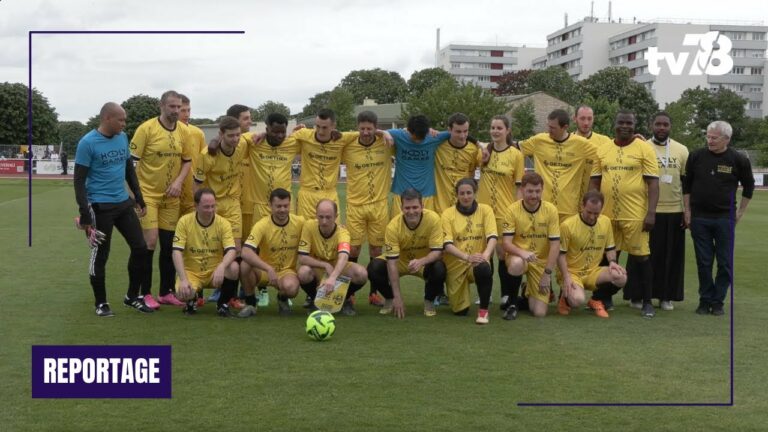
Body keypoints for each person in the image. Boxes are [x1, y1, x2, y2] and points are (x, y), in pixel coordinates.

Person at [73, 102, 152, 316]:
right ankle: (101, 303)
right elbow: (79, 181)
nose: (124, 124)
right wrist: (85, 213)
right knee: (101, 254)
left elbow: (128, 170)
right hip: (99, 207)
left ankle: (132, 297)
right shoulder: (87, 143)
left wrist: (139, 198)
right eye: (121, 119)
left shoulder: (122, 137)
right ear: (107, 118)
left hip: (123, 203)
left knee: (140, 248)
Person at [589, 110, 659, 318]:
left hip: (634, 214)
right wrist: (592, 209)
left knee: (641, 258)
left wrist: (651, 213)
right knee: (608, 258)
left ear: (634, 125)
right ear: (615, 124)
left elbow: (653, 183)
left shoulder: (644, 149)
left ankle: (647, 302)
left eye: (629, 123)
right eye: (621, 122)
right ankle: (603, 298)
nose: (625, 126)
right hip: (607, 215)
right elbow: (595, 181)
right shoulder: (603, 150)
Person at [683, 120, 754, 316]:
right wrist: (687, 211)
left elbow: (749, 186)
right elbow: (687, 185)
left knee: (725, 263)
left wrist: (740, 212)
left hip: (725, 219)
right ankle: (705, 300)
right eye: (708, 136)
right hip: (699, 218)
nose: (710, 140)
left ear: (726, 139)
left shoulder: (738, 160)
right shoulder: (696, 156)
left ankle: (718, 301)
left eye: (714, 138)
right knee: (704, 262)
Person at [131, 90, 193, 309]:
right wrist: (135, 195)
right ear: (162, 106)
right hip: (148, 195)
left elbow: (187, 160)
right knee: (150, 242)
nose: (176, 111)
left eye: (179, 107)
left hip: (171, 197)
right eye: (172, 106)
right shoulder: (146, 129)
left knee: (169, 244)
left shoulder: (184, 131)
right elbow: (131, 162)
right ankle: (145, 293)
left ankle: (165, 292)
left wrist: (178, 182)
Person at [341, 110, 394, 307]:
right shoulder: (348, 146)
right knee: (353, 248)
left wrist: (385, 133)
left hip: (379, 205)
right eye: (362, 128)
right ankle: (350, 292)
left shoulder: (385, 143)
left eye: (369, 129)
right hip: (355, 205)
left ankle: (373, 293)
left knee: (376, 249)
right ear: (357, 128)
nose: (365, 132)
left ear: (376, 128)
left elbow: (409, 133)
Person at [367, 188, 446, 318]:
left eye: (415, 207)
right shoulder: (393, 226)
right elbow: (392, 263)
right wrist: (397, 297)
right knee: (373, 268)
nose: (411, 211)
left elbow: (437, 252)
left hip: (423, 263)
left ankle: (429, 300)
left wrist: (421, 261)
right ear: (401, 208)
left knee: (439, 268)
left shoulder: (433, 219)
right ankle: (390, 298)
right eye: (407, 208)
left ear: (422, 206)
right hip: (400, 262)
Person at [477, 115, 525, 310]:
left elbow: (519, 186)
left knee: (503, 254)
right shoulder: (483, 152)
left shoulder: (516, 155)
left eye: (499, 128)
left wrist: (518, 210)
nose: (495, 131)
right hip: (483, 211)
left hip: (504, 212)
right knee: (485, 253)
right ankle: (485, 295)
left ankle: (506, 294)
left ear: (507, 131)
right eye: (492, 128)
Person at [557, 191, 627, 318]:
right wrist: (566, 277)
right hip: (572, 272)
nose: (592, 217)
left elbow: (610, 248)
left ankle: (596, 300)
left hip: (593, 272)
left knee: (621, 277)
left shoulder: (605, 222)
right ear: (582, 206)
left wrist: (612, 262)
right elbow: (560, 255)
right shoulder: (567, 225)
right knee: (577, 300)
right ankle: (564, 299)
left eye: (596, 213)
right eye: (589, 212)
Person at [171, 188, 239, 316]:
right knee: (182, 294)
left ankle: (222, 304)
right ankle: (192, 300)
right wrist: (183, 279)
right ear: (196, 206)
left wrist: (222, 266)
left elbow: (231, 250)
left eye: (213, 206)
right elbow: (176, 252)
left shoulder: (223, 223)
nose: (210, 210)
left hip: (214, 272)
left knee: (234, 267)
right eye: (206, 207)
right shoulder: (184, 221)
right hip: (192, 272)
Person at [520, 109, 596, 222]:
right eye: (548, 126)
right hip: (542, 206)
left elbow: (604, 154)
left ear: (565, 127)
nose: (549, 130)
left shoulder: (581, 144)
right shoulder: (539, 141)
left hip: (569, 209)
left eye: (553, 128)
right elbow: (514, 149)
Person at [502, 172, 561, 319]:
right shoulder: (512, 210)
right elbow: (506, 243)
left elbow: (555, 245)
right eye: (530, 191)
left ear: (542, 190)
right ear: (522, 189)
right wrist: (522, 253)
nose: (534, 195)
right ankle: (512, 305)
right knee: (516, 263)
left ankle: (526, 291)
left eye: (537, 191)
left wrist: (547, 274)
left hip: (540, 262)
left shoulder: (551, 210)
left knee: (539, 313)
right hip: (519, 257)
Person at [645, 112, 688, 311]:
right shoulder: (643, 147)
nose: (661, 128)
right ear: (651, 125)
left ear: (670, 126)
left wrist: (687, 210)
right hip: (649, 211)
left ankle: (666, 297)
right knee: (645, 257)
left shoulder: (682, 150)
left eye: (665, 124)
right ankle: (641, 295)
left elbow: (686, 183)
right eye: (658, 124)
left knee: (671, 257)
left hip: (674, 211)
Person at [239, 188, 305, 317]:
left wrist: (338, 228)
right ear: (270, 206)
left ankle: (282, 298)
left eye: (286, 206)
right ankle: (251, 303)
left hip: (287, 271)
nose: (282, 209)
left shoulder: (300, 222)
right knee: (245, 265)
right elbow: (245, 251)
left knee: (291, 289)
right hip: (264, 271)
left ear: (290, 205)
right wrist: (268, 268)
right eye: (278, 206)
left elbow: (316, 227)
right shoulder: (262, 224)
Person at [297, 199, 369, 315]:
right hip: (318, 268)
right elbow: (302, 258)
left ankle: (343, 299)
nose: (324, 221)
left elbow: (344, 257)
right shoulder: (309, 226)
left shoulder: (343, 232)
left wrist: (333, 277)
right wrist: (325, 265)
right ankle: (316, 301)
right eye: (321, 217)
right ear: (316, 215)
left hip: (337, 268)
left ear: (336, 216)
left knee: (361, 274)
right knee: (303, 272)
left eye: (328, 217)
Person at [441, 178, 497, 324]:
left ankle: (483, 312)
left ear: (475, 193)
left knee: (484, 268)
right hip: (456, 265)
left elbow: (492, 237)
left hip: (476, 262)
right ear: (457, 195)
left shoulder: (486, 210)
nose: (466, 197)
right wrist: (467, 257)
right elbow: (447, 245)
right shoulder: (447, 214)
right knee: (460, 311)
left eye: (469, 193)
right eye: (462, 193)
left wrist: (485, 256)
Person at [194, 116, 246, 252]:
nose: (235, 139)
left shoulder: (242, 145)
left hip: (233, 201)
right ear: (221, 134)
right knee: (212, 246)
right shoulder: (207, 155)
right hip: (212, 203)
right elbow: (197, 184)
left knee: (236, 248)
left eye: (238, 134)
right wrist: (198, 207)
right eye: (231, 135)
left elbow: (258, 136)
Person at [388, 115, 451, 215]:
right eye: (415, 137)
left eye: (421, 137)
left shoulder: (433, 137)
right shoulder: (399, 135)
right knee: (399, 224)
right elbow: (373, 131)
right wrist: (385, 133)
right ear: (409, 130)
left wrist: (477, 143)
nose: (418, 140)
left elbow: (456, 132)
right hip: (401, 194)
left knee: (426, 224)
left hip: (426, 195)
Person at [294, 109, 348, 220]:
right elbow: (282, 141)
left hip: (330, 194)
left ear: (333, 126)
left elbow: (364, 133)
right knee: (305, 229)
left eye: (324, 127)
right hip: (307, 195)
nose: (320, 131)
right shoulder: (304, 134)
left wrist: (382, 133)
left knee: (333, 229)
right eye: (317, 126)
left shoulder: (342, 139)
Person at [433, 113, 483, 214]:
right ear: (449, 130)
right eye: (458, 131)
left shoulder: (474, 150)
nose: (462, 136)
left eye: (465, 131)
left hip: (464, 206)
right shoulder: (438, 146)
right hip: (440, 209)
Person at [573, 105, 614, 199]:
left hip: (595, 199)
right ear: (575, 119)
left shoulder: (604, 141)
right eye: (582, 118)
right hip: (571, 198)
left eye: (589, 119)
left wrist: (633, 140)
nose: (586, 123)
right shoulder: (568, 142)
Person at [178, 94, 209, 216]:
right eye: (183, 111)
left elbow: (204, 160)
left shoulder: (198, 133)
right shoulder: (167, 132)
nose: (187, 114)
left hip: (192, 188)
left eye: (188, 110)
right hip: (172, 188)